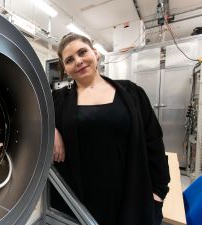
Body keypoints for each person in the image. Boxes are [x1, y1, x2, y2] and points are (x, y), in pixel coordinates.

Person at [52, 32, 170, 225]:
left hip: (130, 193)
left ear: (96, 53)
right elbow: (28, 115)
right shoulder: (57, 100)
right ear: (65, 68)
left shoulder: (131, 93)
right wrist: (51, 129)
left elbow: (154, 141)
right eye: (70, 60)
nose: (79, 61)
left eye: (83, 52)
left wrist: (159, 190)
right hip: (80, 201)